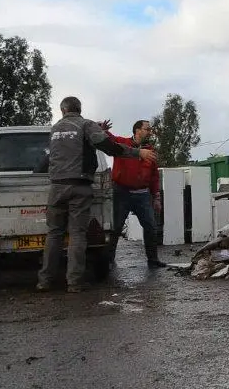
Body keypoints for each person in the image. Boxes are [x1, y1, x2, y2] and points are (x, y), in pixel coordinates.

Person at [36, 97, 156, 292]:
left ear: (63, 110)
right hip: (79, 186)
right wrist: (137, 153)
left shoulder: (56, 128)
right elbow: (108, 146)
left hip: (56, 187)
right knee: (77, 235)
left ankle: (45, 281)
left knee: (54, 234)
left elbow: (61, 150)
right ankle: (74, 283)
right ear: (80, 109)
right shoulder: (85, 124)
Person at [100, 119, 166, 268]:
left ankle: (153, 260)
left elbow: (154, 176)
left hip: (142, 195)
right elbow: (109, 140)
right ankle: (109, 260)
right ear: (137, 130)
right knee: (116, 228)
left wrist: (156, 197)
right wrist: (103, 130)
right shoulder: (122, 144)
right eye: (147, 129)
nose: (150, 132)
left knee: (150, 226)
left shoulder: (151, 152)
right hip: (121, 193)